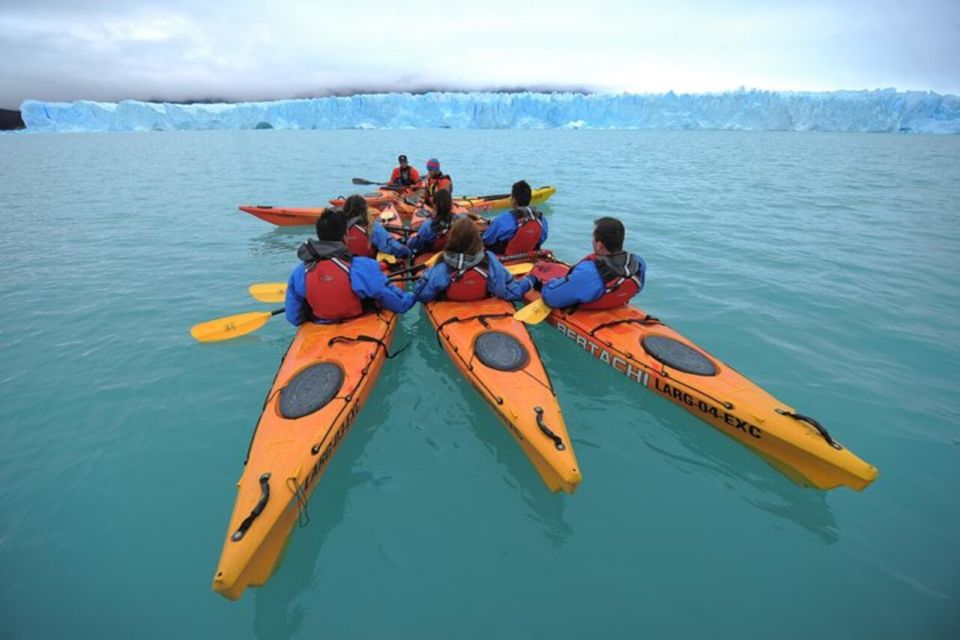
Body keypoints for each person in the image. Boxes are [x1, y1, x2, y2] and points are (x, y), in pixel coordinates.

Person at [285, 209, 416, 325]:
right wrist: (411, 296)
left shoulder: (300, 272)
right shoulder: (362, 266)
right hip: (360, 319)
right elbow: (395, 303)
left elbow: (294, 318)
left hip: (320, 323)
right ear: (345, 235)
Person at [533, 217, 646, 310]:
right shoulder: (638, 263)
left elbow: (551, 298)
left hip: (588, 308)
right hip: (614, 302)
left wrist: (544, 284)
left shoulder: (589, 272)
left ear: (599, 245)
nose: (592, 241)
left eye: (593, 238)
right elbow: (637, 289)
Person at [413, 218, 536, 303]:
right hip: (482, 302)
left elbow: (423, 295)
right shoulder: (489, 260)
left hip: (450, 306)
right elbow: (510, 292)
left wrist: (423, 278)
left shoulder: (443, 264)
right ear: (476, 238)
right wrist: (531, 280)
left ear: (452, 239)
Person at [482, 180, 548, 255]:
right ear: (529, 199)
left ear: (514, 200)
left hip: (505, 255)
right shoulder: (541, 218)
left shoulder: (503, 218)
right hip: (530, 253)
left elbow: (487, 240)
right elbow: (543, 238)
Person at [340, 194, 412, 259]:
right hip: (368, 263)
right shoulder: (371, 226)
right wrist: (407, 252)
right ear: (365, 209)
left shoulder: (339, 227)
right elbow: (388, 247)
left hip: (346, 263)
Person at [406, 190, 465, 255]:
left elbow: (417, 244)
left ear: (434, 205)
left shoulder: (428, 224)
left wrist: (411, 239)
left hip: (432, 251)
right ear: (451, 204)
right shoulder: (460, 220)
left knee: (412, 239)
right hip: (450, 249)